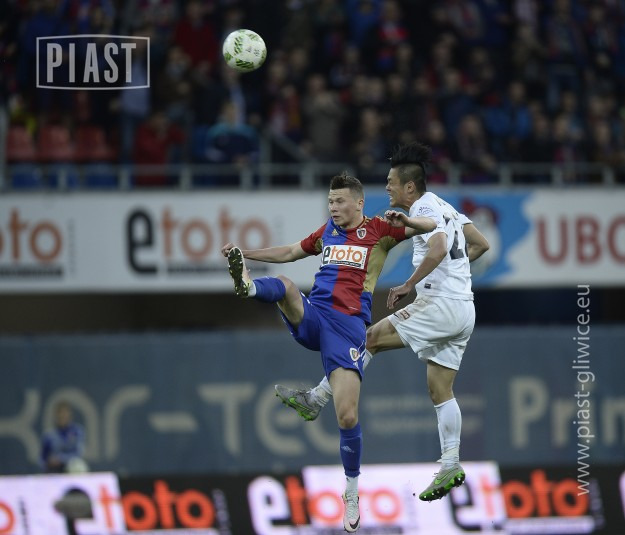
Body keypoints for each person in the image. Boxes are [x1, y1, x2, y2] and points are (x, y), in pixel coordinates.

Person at [275, 142, 490, 502]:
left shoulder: (422, 207)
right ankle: (451, 463)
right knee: (440, 389)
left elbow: (438, 248)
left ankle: (316, 398)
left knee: (369, 337)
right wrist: (455, 274)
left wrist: (409, 284)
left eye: (391, 182)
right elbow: (481, 244)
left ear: (409, 186)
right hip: (464, 309)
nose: (387, 187)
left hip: (439, 304)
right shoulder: (446, 207)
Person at [221, 172, 435, 532]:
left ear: (359, 203)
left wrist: (410, 220)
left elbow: (430, 227)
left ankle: (351, 492)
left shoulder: (380, 230)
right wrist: (246, 254)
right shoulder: (328, 231)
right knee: (285, 285)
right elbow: (290, 251)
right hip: (315, 315)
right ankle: (248, 286)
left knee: (347, 416)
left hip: (348, 327)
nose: (333, 207)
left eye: (339, 201)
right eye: (330, 202)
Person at [40, 401, 88, 474]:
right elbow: (42, 458)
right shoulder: (49, 435)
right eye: (60, 413)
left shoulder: (77, 432)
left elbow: (78, 453)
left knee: (78, 465)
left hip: (71, 468)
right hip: (54, 469)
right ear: (56, 415)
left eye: (65, 413)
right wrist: (48, 463)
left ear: (70, 415)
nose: (62, 416)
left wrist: (61, 459)